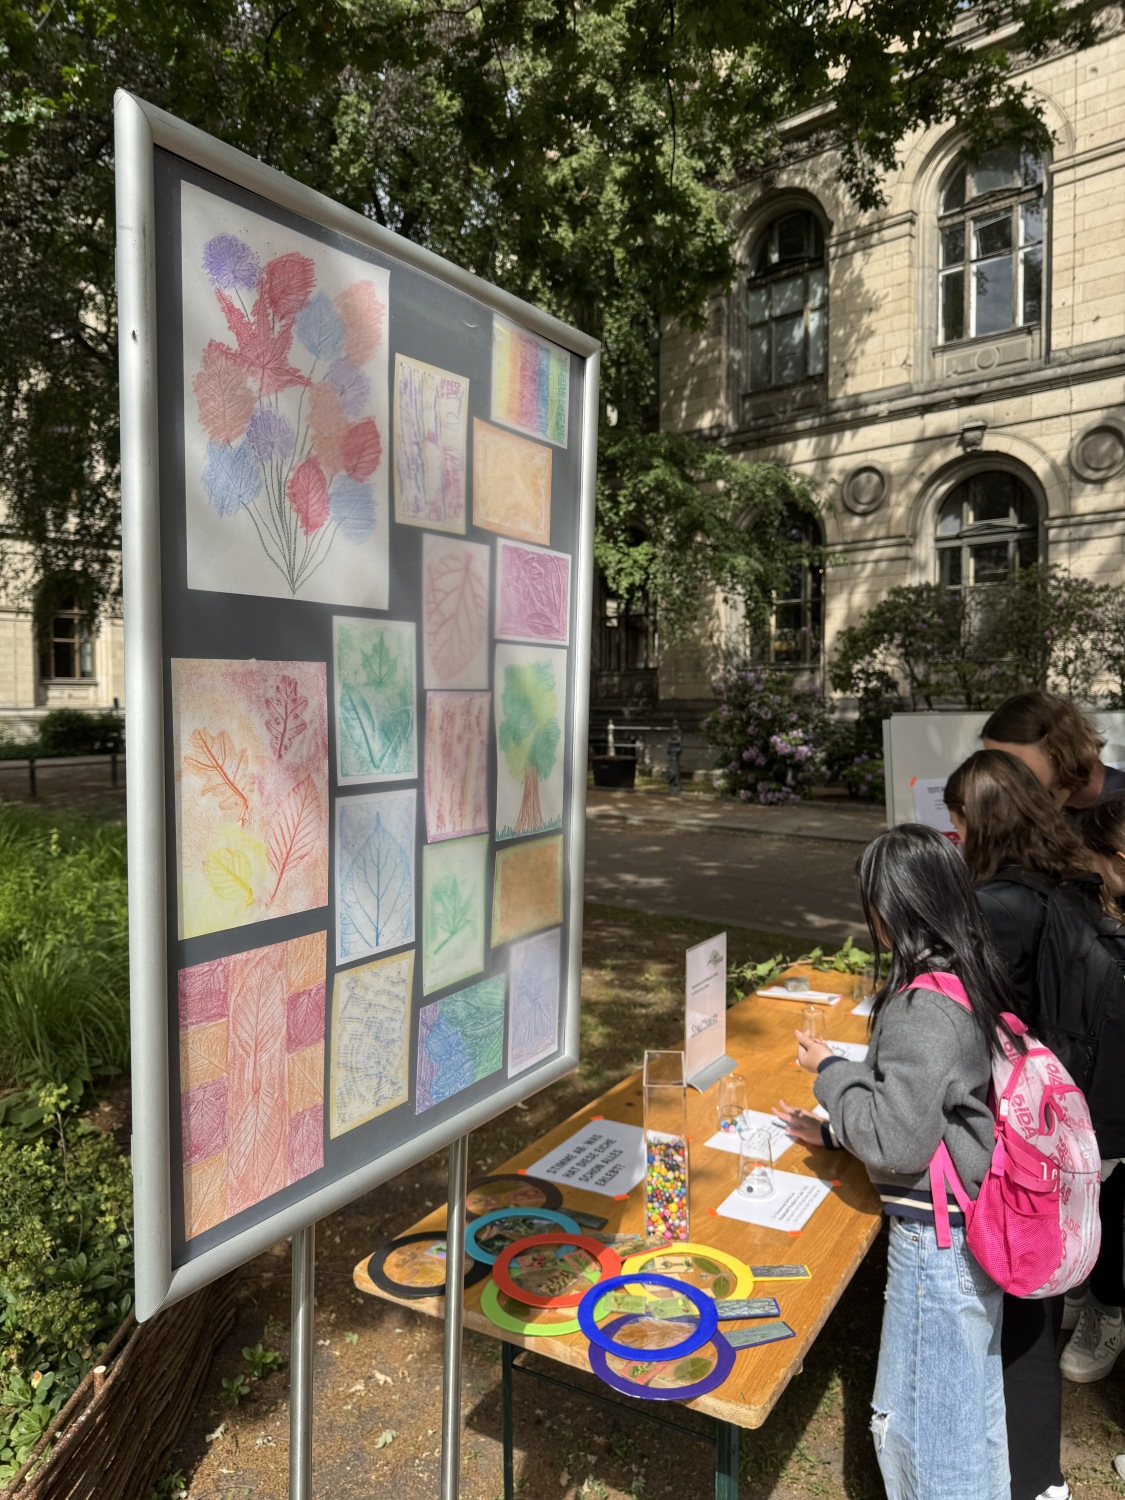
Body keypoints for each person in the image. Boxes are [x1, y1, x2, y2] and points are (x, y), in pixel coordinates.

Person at [775, 823, 1012, 1500]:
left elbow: (896, 1143)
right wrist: (835, 1132)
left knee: (919, 1424)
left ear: (894, 906)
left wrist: (828, 1073)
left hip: (935, 1242)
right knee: (969, 1413)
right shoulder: (967, 976)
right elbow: (924, 1107)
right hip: (969, 1221)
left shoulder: (920, 1007)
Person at [944, 748, 1125, 1500]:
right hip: (1089, 1120)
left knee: (1018, 1297)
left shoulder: (998, 907)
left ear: (979, 822)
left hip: (1035, 1134)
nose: (949, 834)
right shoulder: (1074, 885)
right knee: (1037, 1293)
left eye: (954, 820)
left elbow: (964, 1019)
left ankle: (1029, 1479)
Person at [981, 690, 1125, 811]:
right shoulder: (1037, 812)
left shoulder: (1118, 800)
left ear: (1054, 746)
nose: (1001, 778)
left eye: (1011, 761)